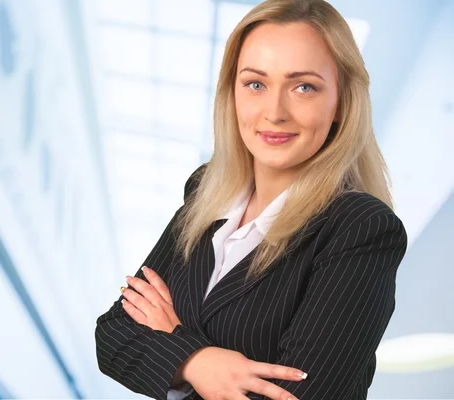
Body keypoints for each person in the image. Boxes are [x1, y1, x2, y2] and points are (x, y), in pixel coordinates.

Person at [94, 0, 408, 398]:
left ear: (341, 104)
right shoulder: (205, 191)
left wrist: (176, 343)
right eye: (255, 84)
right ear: (233, 93)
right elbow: (115, 335)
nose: (274, 112)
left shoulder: (360, 228)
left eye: (304, 87)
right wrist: (198, 361)